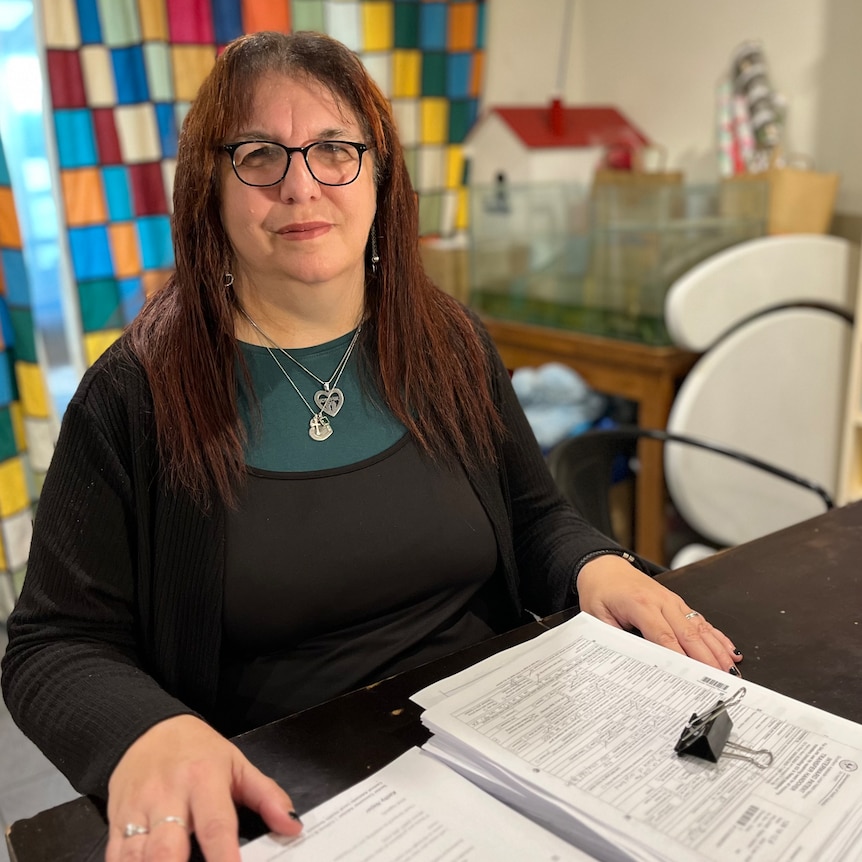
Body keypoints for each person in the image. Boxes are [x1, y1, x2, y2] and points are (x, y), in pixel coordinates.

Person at [1, 30, 742, 862]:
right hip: (291, 801)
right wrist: (147, 732)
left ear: (379, 172)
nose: (300, 184)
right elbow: (53, 645)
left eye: (332, 149)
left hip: (508, 753)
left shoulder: (450, 341)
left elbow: (534, 519)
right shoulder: (135, 394)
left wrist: (593, 564)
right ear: (208, 187)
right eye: (258, 155)